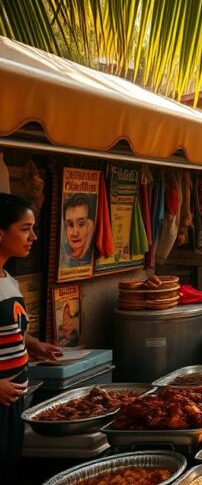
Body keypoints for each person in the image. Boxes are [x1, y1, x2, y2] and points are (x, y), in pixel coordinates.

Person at [0, 194, 63, 479]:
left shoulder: (8, 280)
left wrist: (31, 344)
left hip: (12, 403)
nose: (34, 236)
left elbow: (8, 330)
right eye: (25, 229)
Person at [61, 193, 95, 266]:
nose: (75, 233)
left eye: (81, 224)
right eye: (70, 225)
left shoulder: (93, 256)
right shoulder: (63, 255)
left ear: (90, 226)